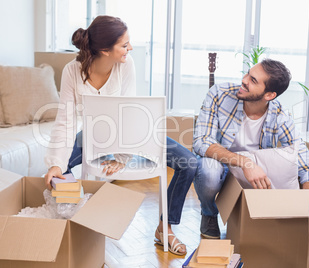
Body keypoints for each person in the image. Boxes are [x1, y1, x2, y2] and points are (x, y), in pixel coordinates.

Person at [43, 15, 196, 255]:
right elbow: (65, 121)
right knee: (57, 172)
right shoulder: (72, 71)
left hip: (134, 132)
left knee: (190, 163)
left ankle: (164, 229)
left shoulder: (126, 65)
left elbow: (128, 115)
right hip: (93, 136)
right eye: (124, 45)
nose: (130, 48)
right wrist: (55, 163)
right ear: (104, 50)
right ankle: (79, 229)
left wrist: (121, 157)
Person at [193, 58, 309, 239]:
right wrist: (246, 163)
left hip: (251, 176)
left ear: (269, 95)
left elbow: (304, 160)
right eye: (248, 74)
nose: (244, 80)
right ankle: (209, 214)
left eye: (253, 80)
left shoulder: (280, 115)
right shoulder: (219, 94)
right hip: (222, 164)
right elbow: (201, 141)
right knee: (208, 172)